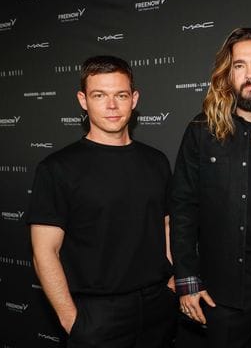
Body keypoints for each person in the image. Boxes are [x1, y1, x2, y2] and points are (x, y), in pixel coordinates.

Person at [28, 55, 176, 348]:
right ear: (83, 100)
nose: (111, 105)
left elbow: (167, 225)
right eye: (99, 95)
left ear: (134, 99)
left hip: (158, 307)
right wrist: (72, 319)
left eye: (120, 95)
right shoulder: (57, 168)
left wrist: (171, 285)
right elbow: (44, 251)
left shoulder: (156, 161)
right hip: (96, 316)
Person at [171, 27, 251, 347]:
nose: (250, 74)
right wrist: (187, 281)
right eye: (239, 66)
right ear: (227, 75)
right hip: (220, 287)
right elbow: (183, 208)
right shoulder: (201, 131)